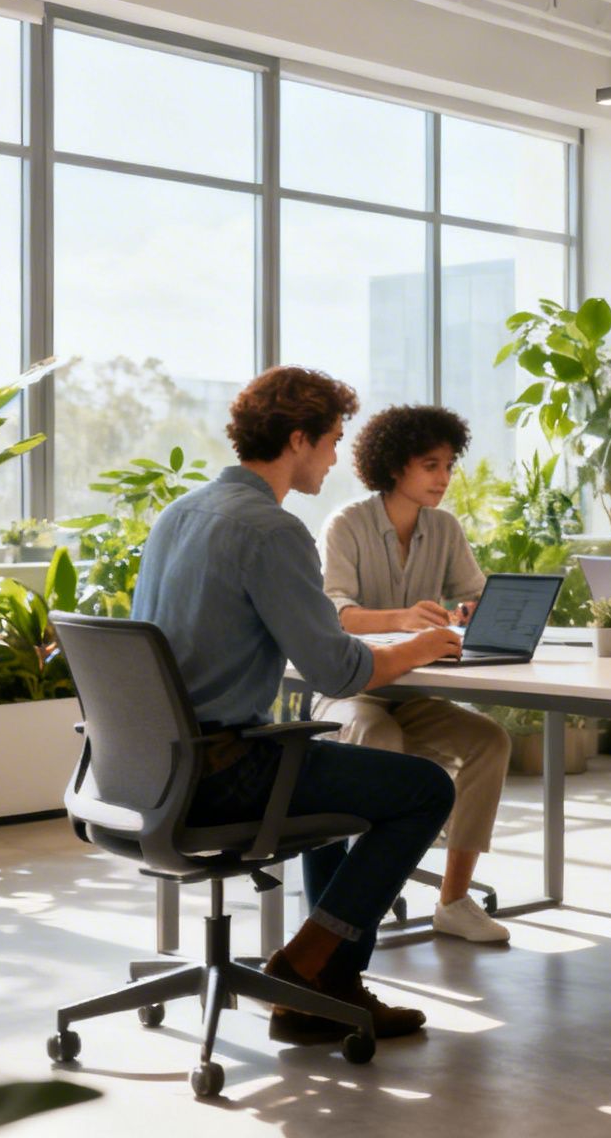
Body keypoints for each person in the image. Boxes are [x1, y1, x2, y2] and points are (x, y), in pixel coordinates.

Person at [133, 365, 466, 1045]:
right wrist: (420, 647)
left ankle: (326, 984)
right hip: (222, 773)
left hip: (147, 768)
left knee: (329, 765)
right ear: (297, 440)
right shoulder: (271, 530)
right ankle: (307, 965)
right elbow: (337, 671)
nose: (337, 457)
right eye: (333, 440)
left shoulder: (179, 514)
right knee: (425, 789)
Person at [313, 404, 515, 943]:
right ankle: (362, 895)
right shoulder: (347, 524)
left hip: (415, 694)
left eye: (449, 465)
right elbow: (334, 613)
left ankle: (454, 900)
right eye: (431, 465)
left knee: (489, 741)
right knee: (378, 733)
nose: (444, 478)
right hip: (352, 691)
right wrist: (401, 619)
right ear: (394, 465)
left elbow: (475, 593)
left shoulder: (444, 528)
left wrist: (473, 610)